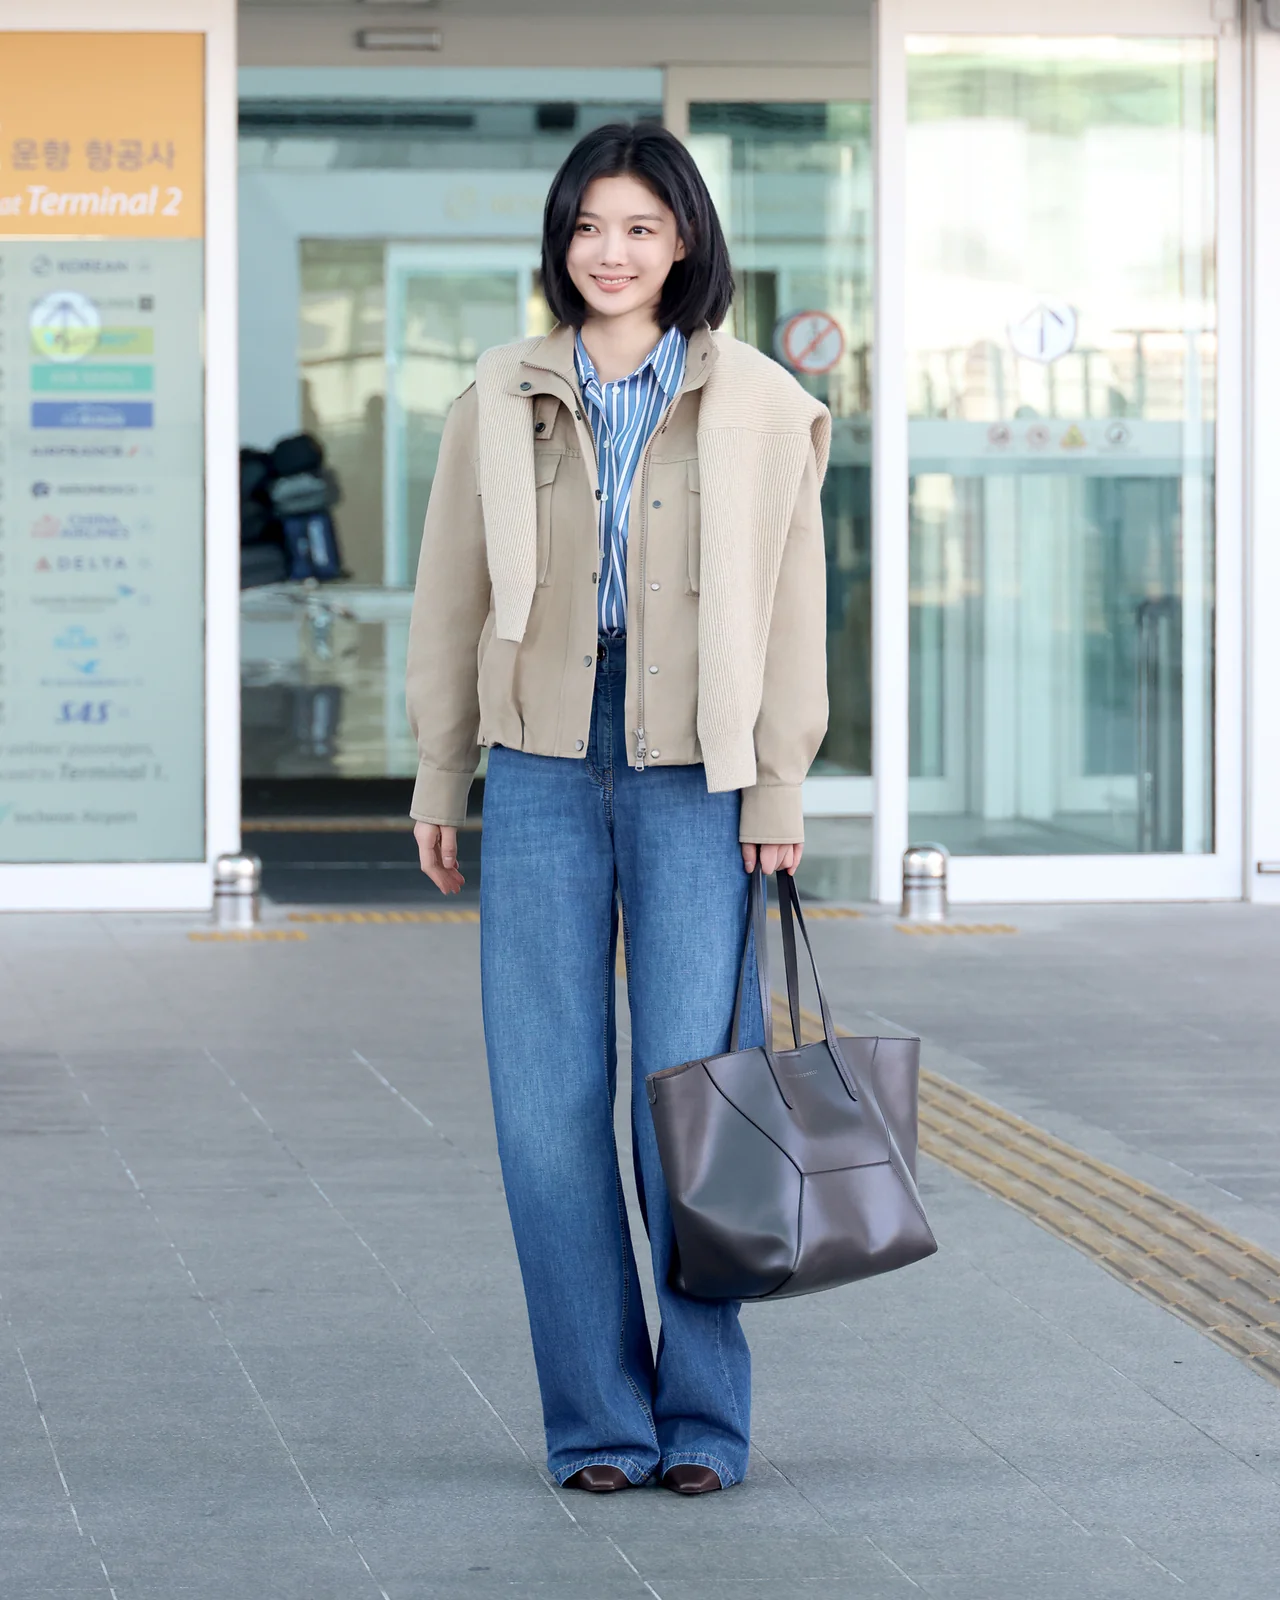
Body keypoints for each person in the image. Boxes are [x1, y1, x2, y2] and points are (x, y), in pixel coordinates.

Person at [406, 123, 830, 1495]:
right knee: (543, 1111)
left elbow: (793, 611)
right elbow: (450, 596)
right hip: (536, 765)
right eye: (589, 226)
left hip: (694, 771)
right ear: (560, 240)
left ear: (686, 242)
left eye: (640, 227)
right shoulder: (499, 392)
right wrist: (439, 768)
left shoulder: (763, 401)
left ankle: (702, 1419)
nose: (611, 252)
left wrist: (777, 779)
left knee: (690, 1104)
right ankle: (597, 1420)